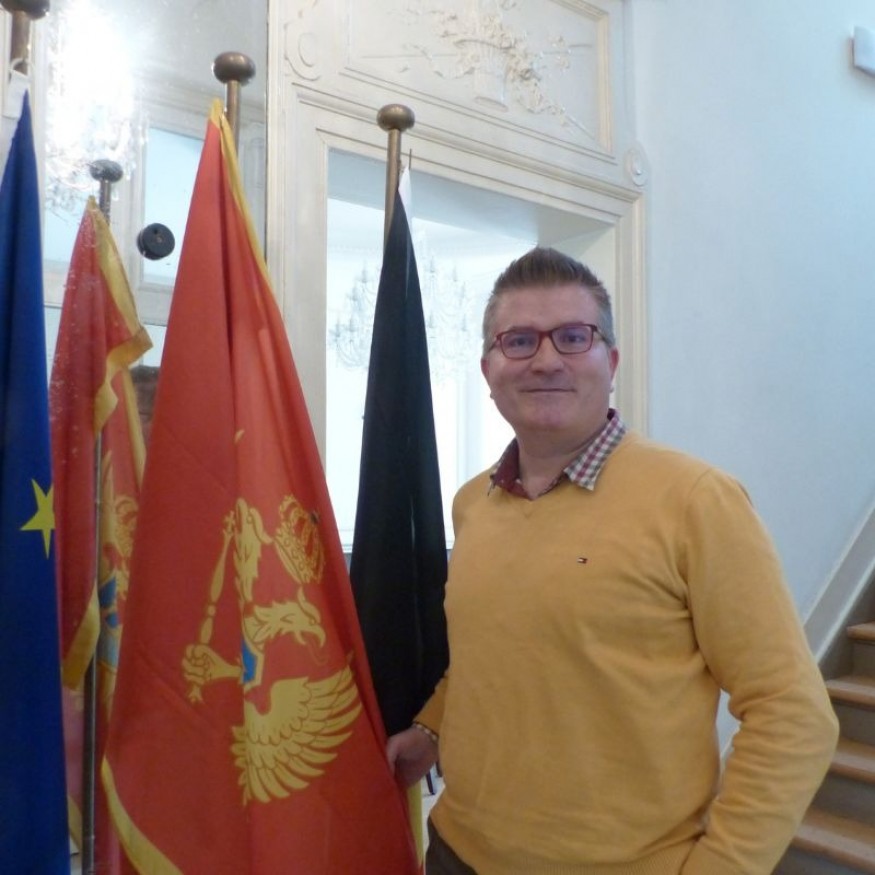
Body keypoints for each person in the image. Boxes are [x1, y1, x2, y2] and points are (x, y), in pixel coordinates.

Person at [386, 246, 838, 875]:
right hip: (457, 852)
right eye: (519, 341)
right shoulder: (473, 504)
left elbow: (792, 712)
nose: (546, 360)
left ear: (611, 362)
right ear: (489, 371)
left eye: (574, 337)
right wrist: (432, 729)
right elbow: (489, 653)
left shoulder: (696, 501)